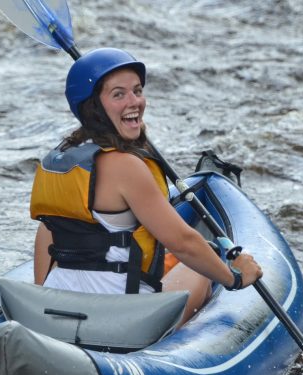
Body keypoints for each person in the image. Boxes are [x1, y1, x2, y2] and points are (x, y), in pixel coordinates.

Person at [30, 48, 262, 325]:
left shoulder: (59, 160)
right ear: (94, 107)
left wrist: (41, 296)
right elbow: (184, 243)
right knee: (206, 262)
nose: (135, 102)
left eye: (137, 91)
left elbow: (47, 232)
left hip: (55, 309)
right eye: (118, 94)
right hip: (119, 318)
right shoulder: (125, 166)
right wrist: (234, 278)